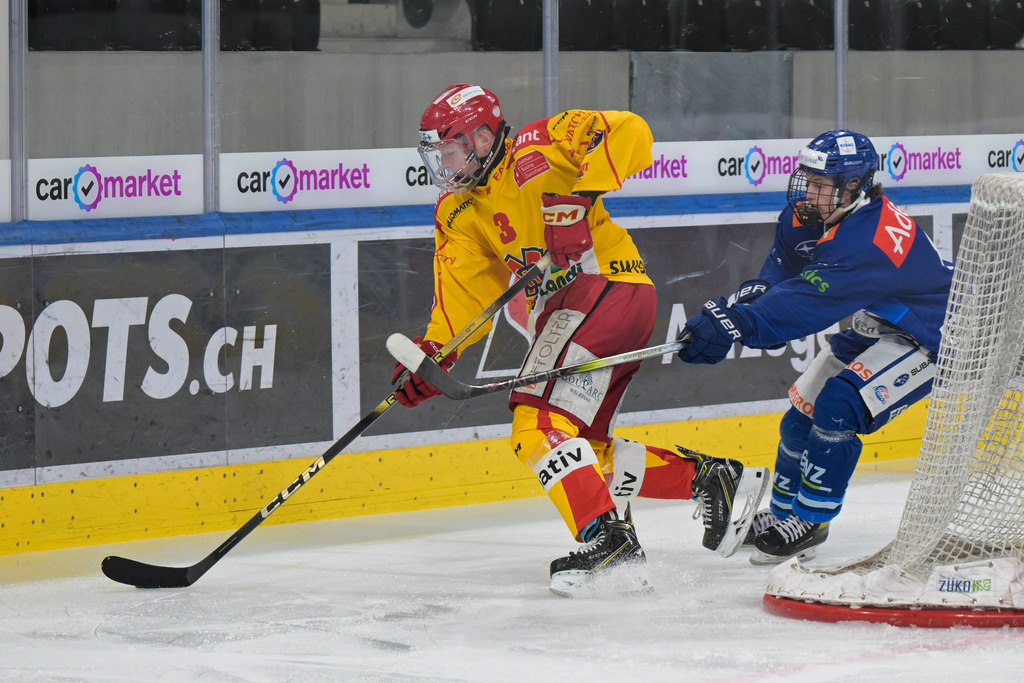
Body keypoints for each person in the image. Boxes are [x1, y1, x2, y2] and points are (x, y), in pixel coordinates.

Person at [393, 83, 765, 596]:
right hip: (581, 308)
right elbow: (462, 296)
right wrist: (434, 354)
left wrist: (580, 195)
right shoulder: (456, 211)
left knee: (536, 422)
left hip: (604, 287)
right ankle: (707, 480)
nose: (443, 167)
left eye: (450, 152)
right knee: (577, 449)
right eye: (438, 157)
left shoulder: (537, 145)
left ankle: (607, 539)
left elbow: (630, 131)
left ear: (481, 137)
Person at [676, 129, 954, 565]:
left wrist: (740, 323)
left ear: (853, 189)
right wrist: (754, 294)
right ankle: (783, 515)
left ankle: (812, 521)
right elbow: (784, 269)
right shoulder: (807, 214)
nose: (807, 191)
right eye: (806, 179)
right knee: (798, 419)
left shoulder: (869, 241)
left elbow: (808, 304)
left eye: (821, 185)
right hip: (880, 318)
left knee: (838, 406)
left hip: (930, 332)